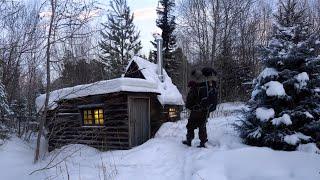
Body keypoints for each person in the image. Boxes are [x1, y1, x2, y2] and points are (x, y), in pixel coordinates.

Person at [182, 67, 218, 148]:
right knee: (199, 125)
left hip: (199, 109)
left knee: (194, 125)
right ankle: (200, 142)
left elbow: (198, 98)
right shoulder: (206, 84)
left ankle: (193, 141)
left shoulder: (202, 85)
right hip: (202, 109)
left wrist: (193, 106)